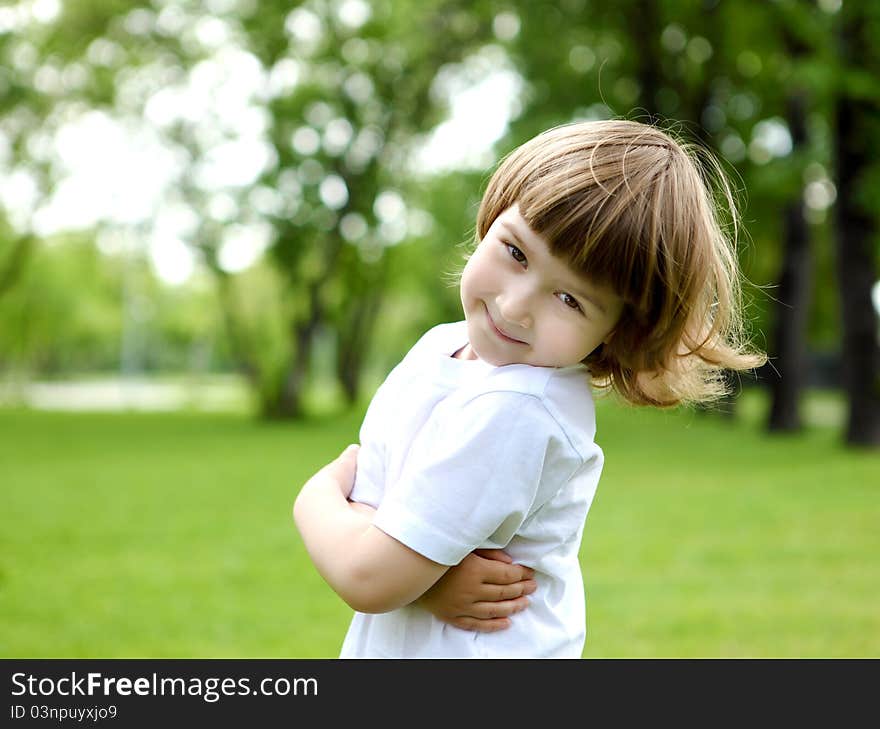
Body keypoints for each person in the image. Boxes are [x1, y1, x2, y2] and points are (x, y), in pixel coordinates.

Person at [293, 119, 765, 657]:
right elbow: (385, 521)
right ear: (493, 218)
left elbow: (366, 575)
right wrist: (425, 580)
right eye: (516, 252)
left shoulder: (519, 408)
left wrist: (315, 497)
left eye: (571, 300)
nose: (516, 307)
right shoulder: (440, 349)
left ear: (618, 332)